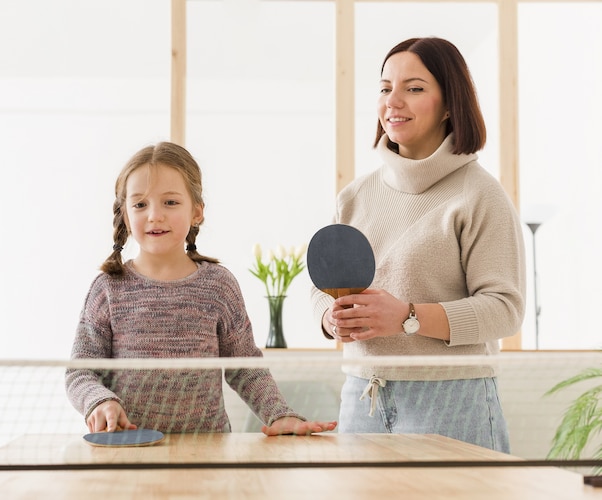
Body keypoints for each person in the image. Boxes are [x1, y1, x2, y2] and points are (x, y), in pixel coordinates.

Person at [311, 37, 525, 452]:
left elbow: (505, 309)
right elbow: (320, 290)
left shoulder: (479, 194)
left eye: (414, 88)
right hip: (362, 397)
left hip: (452, 399)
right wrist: (329, 319)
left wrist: (408, 317)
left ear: (449, 103)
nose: (394, 101)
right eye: (385, 87)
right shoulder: (355, 196)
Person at [66, 141, 337, 436]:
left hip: (208, 452)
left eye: (170, 202)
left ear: (197, 212)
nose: (155, 215)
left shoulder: (218, 285)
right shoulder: (108, 287)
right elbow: (81, 371)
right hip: (129, 453)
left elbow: (245, 367)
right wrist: (99, 401)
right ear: (126, 214)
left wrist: (278, 415)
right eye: (140, 204)